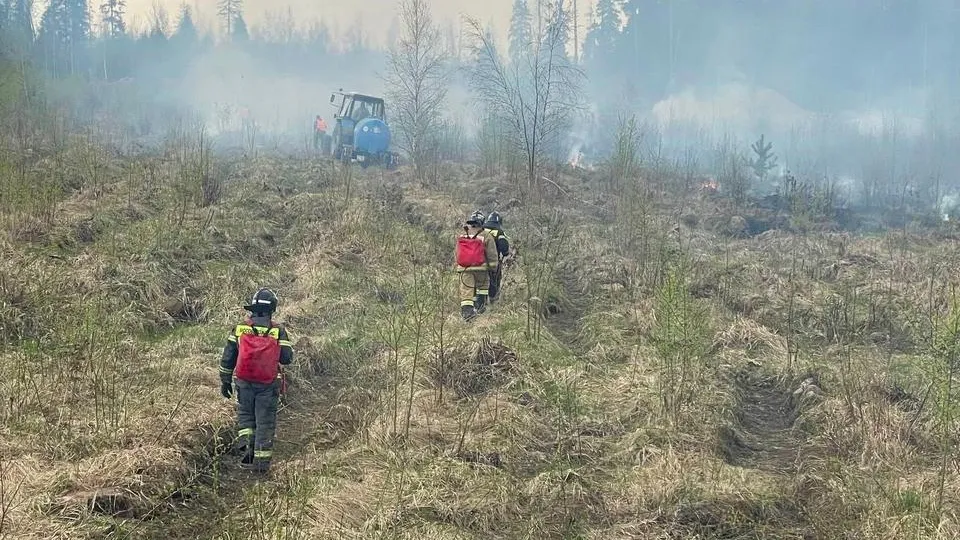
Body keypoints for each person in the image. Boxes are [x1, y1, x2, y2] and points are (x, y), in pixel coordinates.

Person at [219, 288, 294, 473]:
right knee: (265, 423)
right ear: (272, 309)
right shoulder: (278, 331)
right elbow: (286, 358)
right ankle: (261, 467)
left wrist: (225, 380)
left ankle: (247, 452)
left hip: (243, 382)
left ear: (253, 307)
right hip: (268, 385)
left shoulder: (239, 329)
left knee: (246, 417)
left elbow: (228, 357)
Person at [455, 210, 499, 321]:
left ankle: (467, 313)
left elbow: (457, 252)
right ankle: (480, 308)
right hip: (481, 268)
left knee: (466, 289)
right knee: (483, 287)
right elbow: (492, 254)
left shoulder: (463, 234)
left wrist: (459, 266)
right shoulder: (486, 235)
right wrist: (493, 268)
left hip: (464, 268)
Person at [483, 211, 511, 302]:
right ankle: (493, 301)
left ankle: (480, 303)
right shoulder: (499, 231)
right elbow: (504, 247)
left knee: (480, 282)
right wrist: (506, 253)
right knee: (494, 280)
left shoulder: (481, 229)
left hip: (477, 260)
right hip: (493, 261)